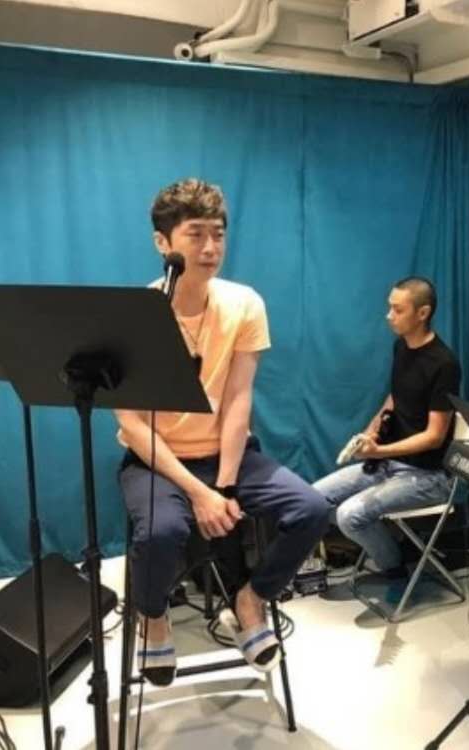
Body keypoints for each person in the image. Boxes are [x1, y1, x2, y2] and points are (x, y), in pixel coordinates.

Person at [115, 178, 330, 686]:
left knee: (312, 510)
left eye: (218, 234)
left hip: (230, 455)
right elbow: (132, 422)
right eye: (196, 234)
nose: (211, 247)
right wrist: (200, 493)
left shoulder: (244, 304)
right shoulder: (135, 314)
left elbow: (237, 400)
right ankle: (153, 615)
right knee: (162, 532)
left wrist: (226, 486)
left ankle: (250, 599)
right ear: (163, 242)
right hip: (156, 461)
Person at [313, 277, 461, 582]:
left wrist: (379, 451)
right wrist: (371, 432)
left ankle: (395, 568)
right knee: (313, 500)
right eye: (389, 308)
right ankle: (399, 549)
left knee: (349, 515)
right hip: (389, 464)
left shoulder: (444, 364)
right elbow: (395, 397)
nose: (389, 315)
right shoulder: (401, 347)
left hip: (429, 476)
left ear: (422, 313)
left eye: (398, 309)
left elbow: (434, 437)